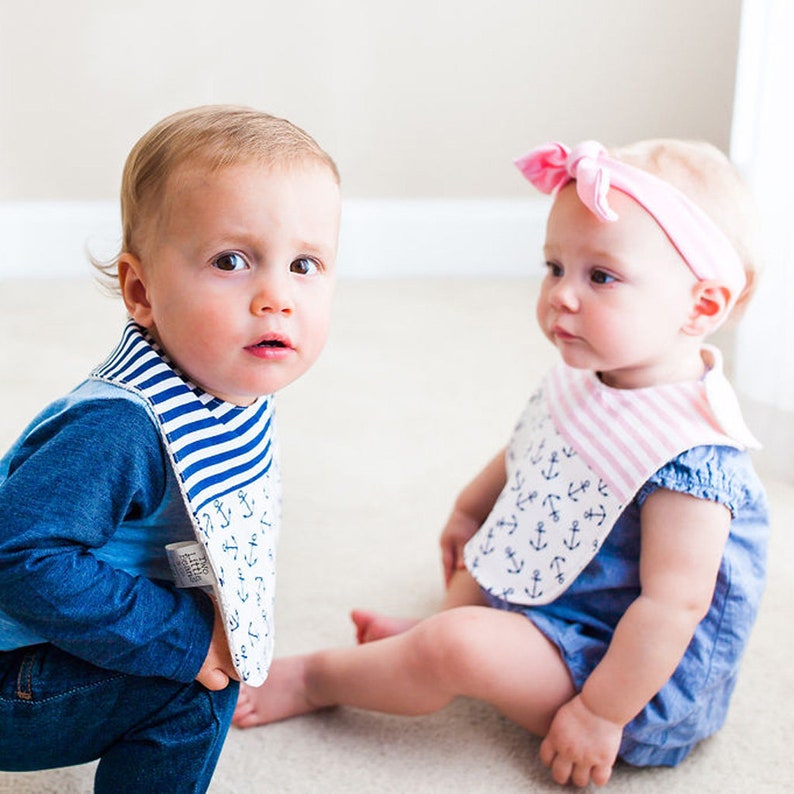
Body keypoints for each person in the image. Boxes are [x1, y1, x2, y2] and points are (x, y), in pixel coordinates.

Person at [232, 139, 769, 788]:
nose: (561, 296)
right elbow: (534, 450)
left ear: (702, 307)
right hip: (557, 592)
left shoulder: (692, 458)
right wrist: (470, 508)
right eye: (554, 267)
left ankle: (319, 678)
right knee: (481, 562)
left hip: (622, 673)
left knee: (451, 651)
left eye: (600, 276)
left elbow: (673, 608)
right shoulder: (594, 372)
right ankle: (449, 621)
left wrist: (600, 714)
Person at [0, 105, 340, 793]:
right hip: (13, 679)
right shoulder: (125, 429)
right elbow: (18, 553)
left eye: (304, 264)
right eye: (231, 261)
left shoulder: (223, 385)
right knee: (197, 686)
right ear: (141, 289)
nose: (276, 297)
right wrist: (185, 640)